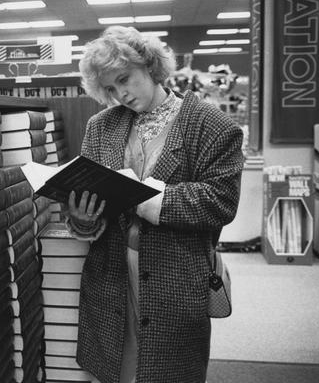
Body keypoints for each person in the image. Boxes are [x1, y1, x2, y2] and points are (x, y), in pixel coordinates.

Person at [65, 25, 244, 383]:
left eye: (125, 79)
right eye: (111, 88)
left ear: (149, 64)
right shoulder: (101, 127)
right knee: (116, 369)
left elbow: (221, 201)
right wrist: (83, 218)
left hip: (174, 279)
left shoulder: (210, 124)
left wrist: (147, 199)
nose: (122, 94)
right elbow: (92, 199)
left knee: (168, 372)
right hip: (111, 276)